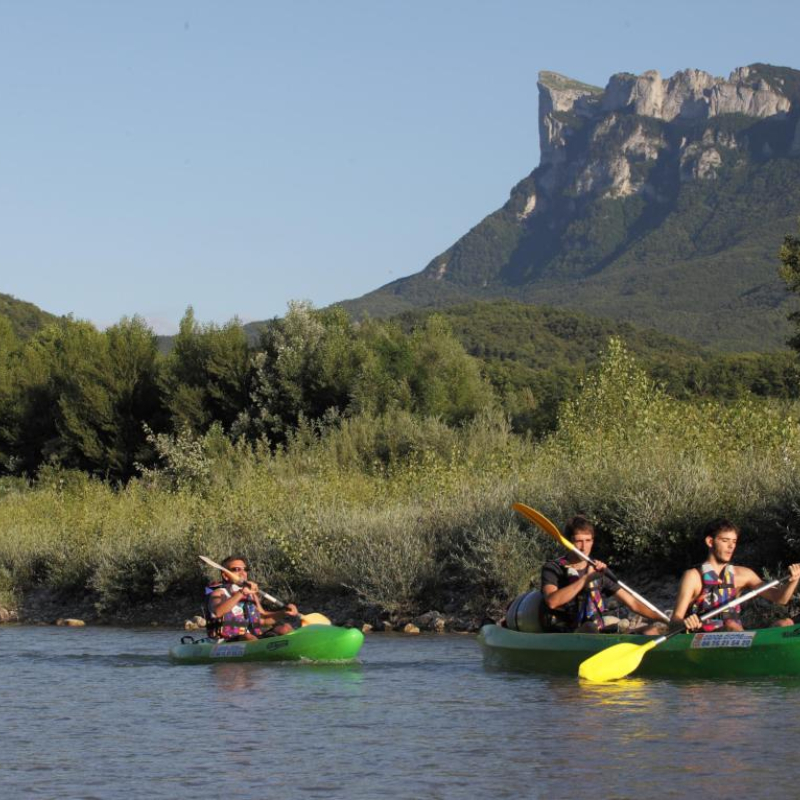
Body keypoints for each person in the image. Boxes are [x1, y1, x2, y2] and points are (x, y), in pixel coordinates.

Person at [672, 518, 800, 632]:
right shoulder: (693, 577)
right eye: (725, 540)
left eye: (734, 541)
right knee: (731, 626)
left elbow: (780, 598)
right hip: (702, 640)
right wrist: (685, 622)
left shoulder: (742, 574)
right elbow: (674, 622)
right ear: (710, 542)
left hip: (736, 636)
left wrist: (793, 580)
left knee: (785, 624)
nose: (731, 546)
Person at [540, 515, 664, 633]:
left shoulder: (598, 570)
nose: (584, 547)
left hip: (596, 631)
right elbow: (552, 601)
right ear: (569, 542)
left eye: (588, 540)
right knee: (589, 627)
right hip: (565, 632)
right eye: (579, 541)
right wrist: (585, 579)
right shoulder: (553, 568)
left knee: (652, 631)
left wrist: (663, 618)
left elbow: (633, 603)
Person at [204, 556, 301, 641]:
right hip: (227, 640)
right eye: (237, 569)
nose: (243, 573)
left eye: (245, 569)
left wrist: (283, 612)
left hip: (254, 638)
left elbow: (262, 619)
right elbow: (218, 612)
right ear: (225, 575)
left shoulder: (251, 594)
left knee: (285, 628)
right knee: (248, 637)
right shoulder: (218, 593)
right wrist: (241, 592)